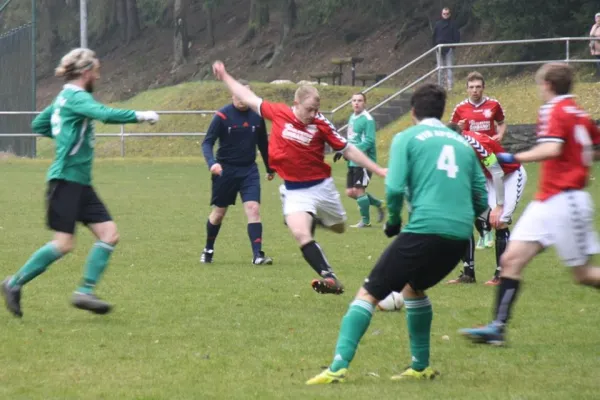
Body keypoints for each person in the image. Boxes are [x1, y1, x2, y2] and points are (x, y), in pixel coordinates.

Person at [306, 83, 488, 385]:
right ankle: (420, 366)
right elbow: (481, 197)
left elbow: (393, 186)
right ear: (442, 112)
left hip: (425, 229)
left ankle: (337, 367)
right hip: (458, 237)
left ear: (413, 111)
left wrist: (392, 221)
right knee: (413, 289)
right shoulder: (462, 144)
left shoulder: (408, 137)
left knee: (368, 293)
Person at [1, 48, 159, 317]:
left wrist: (65, 135)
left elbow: (40, 124)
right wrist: (141, 115)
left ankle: (85, 292)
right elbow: (104, 114)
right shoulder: (76, 97)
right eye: (96, 72)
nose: (98, 76)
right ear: (86, 73)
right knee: (64, 243)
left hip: (81, 183)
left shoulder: (64, 97)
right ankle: (13, 283)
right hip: (65, 180)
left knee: (109, 234)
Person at [212, 61, 387, 295]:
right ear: (296, 103)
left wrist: (377, 169)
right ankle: (330, 277)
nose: (314, 114)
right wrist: (225, 75)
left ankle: (318, 219)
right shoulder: (279, 113)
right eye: (309, 110)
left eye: (317, 110)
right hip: (294, 190)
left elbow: (348, 149)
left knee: (339, 228)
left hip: (321, 188)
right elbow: (247, 95)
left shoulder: (321, 124)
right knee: (300, 233)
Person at [460, 62, 600, 346]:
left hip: (566, 199)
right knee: (511, 260)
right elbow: (593, 148)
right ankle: (497, 329)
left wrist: (515, 157)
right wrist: (580, 157)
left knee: (583, 274)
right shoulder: (578, 113)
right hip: (548, 199)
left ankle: (497, 328)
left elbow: (553, 148)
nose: (539, 90)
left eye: (540, 85)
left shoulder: (554, 109)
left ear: (548, 85)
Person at [200, 79, 275, 265]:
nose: (242, 99)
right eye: (238, 94)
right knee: (218, 214)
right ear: (232, 95)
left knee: (253, 209)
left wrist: (269, 167)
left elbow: (263, 145)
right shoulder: (222, 116)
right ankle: (208, 249)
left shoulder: (257, 116)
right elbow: (207, 142)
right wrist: (212, 163)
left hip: (249, 169)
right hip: (225, 171)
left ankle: (258, 255)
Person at [446, 123, 527, 286]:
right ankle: (468, 274)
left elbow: (497, 171)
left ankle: (503, 274)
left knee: (500, 221)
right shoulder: (451, 146)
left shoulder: (476, 143)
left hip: (509, 175)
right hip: (488, 177)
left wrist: (499, 205)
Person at [450, 72, 507, 252]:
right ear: (467, 89)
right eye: (471, 87)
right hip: (471, 157)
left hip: (489, 156)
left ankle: (490, 227)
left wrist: (500, 134)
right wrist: (458, 128)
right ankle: (484, 231)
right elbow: (452, 131)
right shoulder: (460, 108)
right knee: (472, 197)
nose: (475, 90)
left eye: (478, 87)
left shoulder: (493, 105)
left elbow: (502, 122)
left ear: (483, 88)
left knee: (488, 195)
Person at [333, 92, 385, 228]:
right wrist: (342, 150)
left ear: (365, 103)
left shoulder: (367, 119)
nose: (356, 103)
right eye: (354, 100)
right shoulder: (352, 117)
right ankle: (379, 204)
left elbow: (369, 141)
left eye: (360, 100)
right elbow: (351, 139)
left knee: (359, 190)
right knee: (350, 192)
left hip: (364, 160)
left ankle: (365, 221)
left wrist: (351, 151)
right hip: (352, 159)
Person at [432, 7, 461, 91]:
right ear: (441, 14)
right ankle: (440, 87)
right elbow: (434, 36)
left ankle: (450, 87)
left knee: (449, 68)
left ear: (450, 14)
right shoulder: (438, 24)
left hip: (449, 48)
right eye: (444, 14)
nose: (445, 15)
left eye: (447, 14)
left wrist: (453, 46)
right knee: (440, 68)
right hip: (439, 48)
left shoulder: (453, 24)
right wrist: (435, 46)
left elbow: (457, 36)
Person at [589, 13, 600, 78]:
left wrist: (595, 36)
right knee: (598, 64)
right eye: (597, 18)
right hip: (596, 50)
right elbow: (591, 35)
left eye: (599, 18)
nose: (598, 19)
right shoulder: (594, 26)